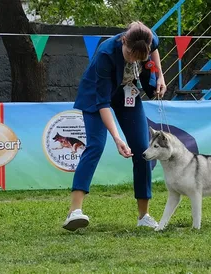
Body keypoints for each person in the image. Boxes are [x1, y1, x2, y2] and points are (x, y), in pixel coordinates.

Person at [62, 21, 167, 231]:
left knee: (142, 150)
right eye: (129, 54)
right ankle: (74, 212)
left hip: (127, 92)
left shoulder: (149, 38)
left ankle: (143, 215)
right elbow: (103, 103)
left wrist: (160, 76)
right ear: (124, 41)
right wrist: (117, 138)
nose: (132, 59)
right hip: (97, 95)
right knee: (96, 146)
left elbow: (154, 49)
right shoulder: (106, 54)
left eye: (139, 57)